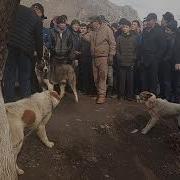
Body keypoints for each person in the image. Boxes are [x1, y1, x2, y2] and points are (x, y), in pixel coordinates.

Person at [3, 4, 43, 102]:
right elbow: (39, 40)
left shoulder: (17, 9)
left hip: (11, 45)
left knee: (9, 74)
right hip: (26, 49)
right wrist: (40, 56)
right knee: (25, 76)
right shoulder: (37, 19)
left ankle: (9, 102)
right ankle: (26, 101)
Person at [85, 16, 116, 104]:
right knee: (96, 77)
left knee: (102, 77)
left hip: (103, 57)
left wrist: (111, 55)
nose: (92, 24)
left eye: (93, 23)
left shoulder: (107, 29)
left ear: (98, 22)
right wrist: (89, 30)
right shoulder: (93, 31)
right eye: (91, 23)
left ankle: (102, 96)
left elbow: (112, 43)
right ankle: (99, 94)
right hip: (94, 57)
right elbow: (85, 38)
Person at [141, 13, 166, 95]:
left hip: (154, 60)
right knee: (144, 79)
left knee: (153, 80)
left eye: (149, 20)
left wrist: (156, 59)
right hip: (144, 59)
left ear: (154, 20)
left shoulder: (159, 31)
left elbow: (163, 47)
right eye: (147, 20)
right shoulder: (144, 31)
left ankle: (152, 99)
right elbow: (142, 45)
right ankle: (145, 98)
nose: (147, 22)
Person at [116, 19, 139, 100]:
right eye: (124, 27)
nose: (125, 28)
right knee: (122, 80)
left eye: (126, 27)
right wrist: (119, 58)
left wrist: (134, 58)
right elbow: (117, 50)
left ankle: (129, 96)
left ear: (129, 28)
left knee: (130, 80)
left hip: (131, 62)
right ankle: (121, 95)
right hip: (122, 62)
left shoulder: (134, 38)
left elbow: (136, 50)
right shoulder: (119, 38)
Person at [49, 15, 74, 85]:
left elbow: (70, 44)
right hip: (55, 57)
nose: (62, 25)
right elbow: (50, 43)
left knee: (63, 75)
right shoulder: (52, 32)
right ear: (57, 24)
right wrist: (53, 50)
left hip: (65, 57)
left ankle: (63, 91)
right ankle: (55, 91)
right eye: (61, 23)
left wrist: (67, 52)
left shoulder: (69, 33)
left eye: (64, 23)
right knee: (55, 74)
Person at [159, 20, 177, 101]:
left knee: (167, 81)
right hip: (167, 63)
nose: (166, 31)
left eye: (168, 30)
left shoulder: (172, 40)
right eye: (165, 30)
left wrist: (163, 59)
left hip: (168, 63)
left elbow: (170, 53)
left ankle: (168, 98)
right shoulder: (168, 38)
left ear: (172, 31)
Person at [78, 23, 95, 94]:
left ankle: (87, 90)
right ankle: (83, 89)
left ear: (86, 29)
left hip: (88, 58)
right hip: (81, 58)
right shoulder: (78, 36)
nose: (83, 30)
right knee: (82, 74)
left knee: (88, 74)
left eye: (84, 28)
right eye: (81, 28)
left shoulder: (89, 36)